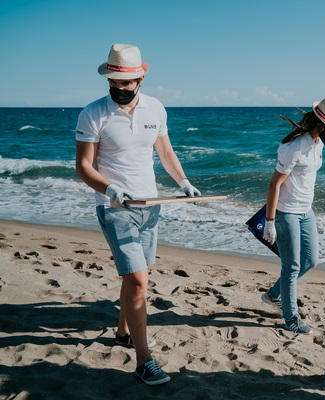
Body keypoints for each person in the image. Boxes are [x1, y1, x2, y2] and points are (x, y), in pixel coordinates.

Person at [75, 44, 201, 385]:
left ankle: (122, 331)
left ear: (140, 79)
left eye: (125, 84)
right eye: (113, 83)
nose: (118, 89)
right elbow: (83, 167)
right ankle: (144, 361)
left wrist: (184, 181)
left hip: (151, 205)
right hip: (114, 208)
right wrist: (110, 189)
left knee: (136, 277)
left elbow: (166, 151)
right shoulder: (92, 113)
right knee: (140, 280)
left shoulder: (156, 109)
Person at [260, 97, 325, 334]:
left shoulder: (317, 143)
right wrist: (270, 222)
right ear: (323, 124)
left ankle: (272, 295)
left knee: (310, 260)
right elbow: (273, 185)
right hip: (286, 212)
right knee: (291, 266)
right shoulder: (294, 148)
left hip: (306, 211)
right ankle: (291, 319)